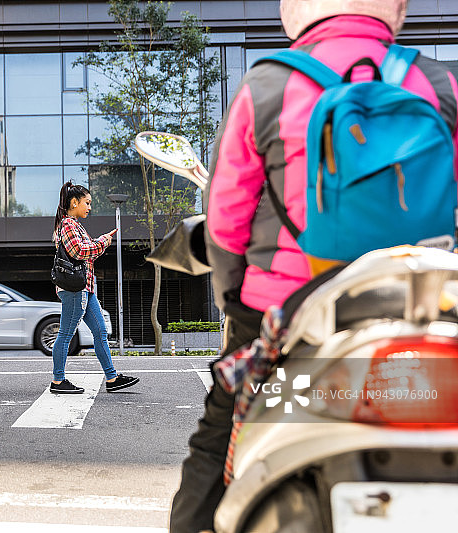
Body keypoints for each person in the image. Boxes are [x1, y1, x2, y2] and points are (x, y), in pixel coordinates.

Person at [170, 1, 458, 531]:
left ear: (292, 12)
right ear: (396, 10)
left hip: (288, 310)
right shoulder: (434, 80)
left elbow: (226, 220)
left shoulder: (268, 85)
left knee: (214, 449)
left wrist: (239, 307)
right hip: (418, 302)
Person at [50, 182, 140, 394]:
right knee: (65, 334)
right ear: (74, 202)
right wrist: (101, 242)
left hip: (86, 288)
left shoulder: (76, 225)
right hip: (75, 288)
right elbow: (80, 251)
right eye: (87, 203)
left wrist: (103, 241)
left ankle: (112, 378)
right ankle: (57, 381)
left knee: (100, 332)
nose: (90, 207)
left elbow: (88, 254)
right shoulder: (68, 225)